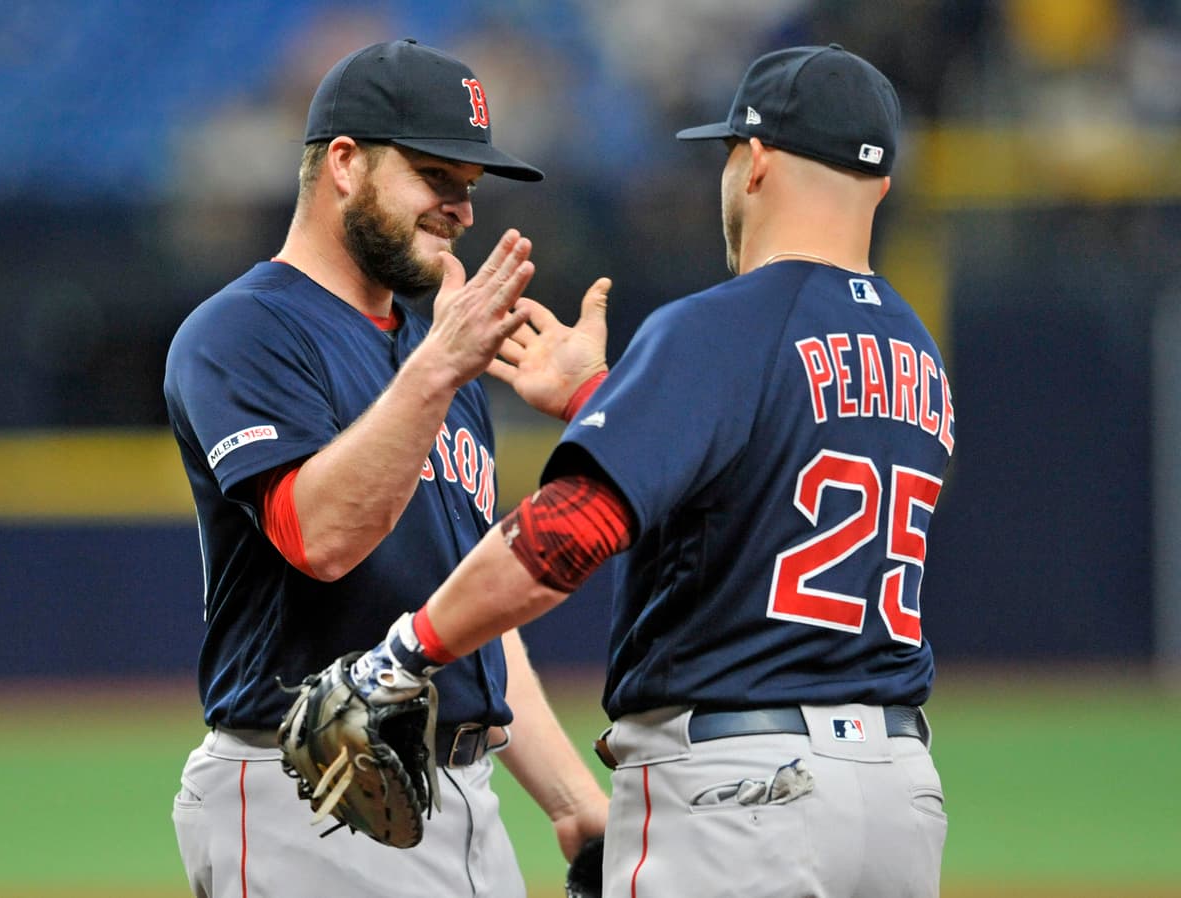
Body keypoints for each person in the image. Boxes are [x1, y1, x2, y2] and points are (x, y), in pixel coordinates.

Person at [348, 43, 955, 897]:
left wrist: (404, 652)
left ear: (756, 163)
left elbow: (565, 535)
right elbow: (763, 486)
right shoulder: (918, 356)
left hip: (741, 792)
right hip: (900, 795)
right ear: (881, 184)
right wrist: (601, 397)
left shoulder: (723, 326)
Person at [164, 38, 610, 898]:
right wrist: (440, 369)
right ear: (343, 162)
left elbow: (465, 607)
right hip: (316, 792)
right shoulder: (243, 332)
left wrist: (571, 803)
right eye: (437, 176)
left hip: (461, 796)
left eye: (471, 188)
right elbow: (318, 536)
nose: (461, 209)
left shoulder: (431, 350)